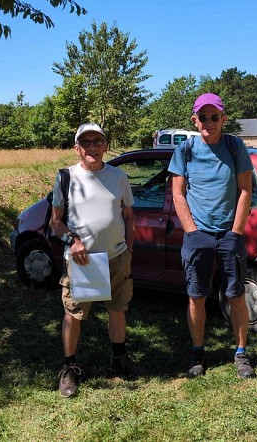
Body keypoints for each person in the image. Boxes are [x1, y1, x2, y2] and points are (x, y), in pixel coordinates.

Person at [50, 122, 146, 398]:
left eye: (98, 141)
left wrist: (129, 249)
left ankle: (120, 359)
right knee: (74, 314)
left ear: (105, 145)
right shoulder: (66, 177)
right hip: (82, 261)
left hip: (116, 256)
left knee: (118, 308)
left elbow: (129, 216)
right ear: (77, 148)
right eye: (86, 142)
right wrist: (73, 241)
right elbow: (55, 222)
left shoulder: (118, 176)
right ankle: (69, 369)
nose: (92, 147)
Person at [167, 93, 256, 379]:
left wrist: (237, 230)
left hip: (229, 234)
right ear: (195, 120)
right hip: (198, 235)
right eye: (203, 117)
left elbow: (245, 191)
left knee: (236, 294)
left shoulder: (234, 146)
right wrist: (191, 230)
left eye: (214, 116)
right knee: (196, 296)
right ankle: (198, 352)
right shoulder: (185, 150)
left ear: (223, 119)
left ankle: (241, 353)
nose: (209, 122)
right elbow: (177, 193)